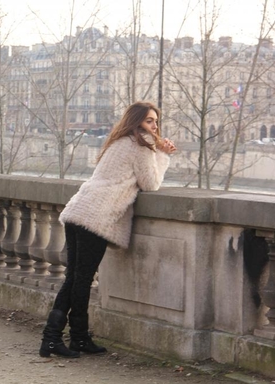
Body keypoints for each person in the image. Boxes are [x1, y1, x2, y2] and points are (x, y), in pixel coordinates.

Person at [39, 101, 177, 358]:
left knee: (75, 277)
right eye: (149, 121)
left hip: (79, 209)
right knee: (81, 279)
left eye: (156, 121)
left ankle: (68, 338)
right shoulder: (140, 144)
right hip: (97, 215)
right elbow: (150, 184)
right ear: (137, 122)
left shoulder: (118, 141)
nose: (154, 126)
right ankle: (57, 338)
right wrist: (162, 154)